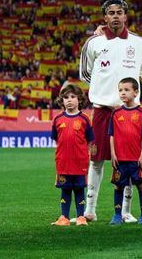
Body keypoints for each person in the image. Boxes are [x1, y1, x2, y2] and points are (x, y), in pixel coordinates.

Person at [80, 0, 142, 222]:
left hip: (129, 113)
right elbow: (85, 73)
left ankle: (126, 211)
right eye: (111, 12)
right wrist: (103, 88)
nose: (116, 16)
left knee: (128, 161)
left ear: (126, 16)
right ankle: (90, 209)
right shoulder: (94, 43)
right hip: (102, 110)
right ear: (105, 17)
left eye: (120, 12)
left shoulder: (139, 43)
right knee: (96, 159)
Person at [107, 77, 142, 225]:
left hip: (136, 158)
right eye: (120, 90)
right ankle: (117, 215)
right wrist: (112, 153)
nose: (123, 93)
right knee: (118, 185)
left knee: (141, 185)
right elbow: (111, 135)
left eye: (127, 90)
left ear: (136, 92)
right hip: (120, 157)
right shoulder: (116, 113)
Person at [51, 85, 94, 226]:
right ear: (62, 100)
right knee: (65, 189)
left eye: (72, 97)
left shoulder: (84, 119)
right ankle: (64, 217)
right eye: (66, 97)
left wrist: (85, 155)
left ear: (79, 99)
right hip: (63, 162)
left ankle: (81, 217)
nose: (69, 100)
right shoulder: (57, 119)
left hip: (79, 162)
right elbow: (57, 139)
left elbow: (90, 140)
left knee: (79, 189)